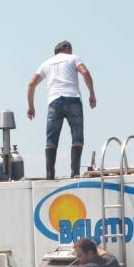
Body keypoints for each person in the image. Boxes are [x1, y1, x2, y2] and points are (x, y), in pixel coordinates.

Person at [27, 40, 97, 179]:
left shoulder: (46, 63)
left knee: (51, 139)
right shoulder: (73, 58)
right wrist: (92, 94)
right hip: (73, 100)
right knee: (77, 137)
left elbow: (31, 84)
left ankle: (50, 175)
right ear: (66, 48)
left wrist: (31, 106)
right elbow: (85, 72)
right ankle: (75, 173)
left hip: (54, 102)